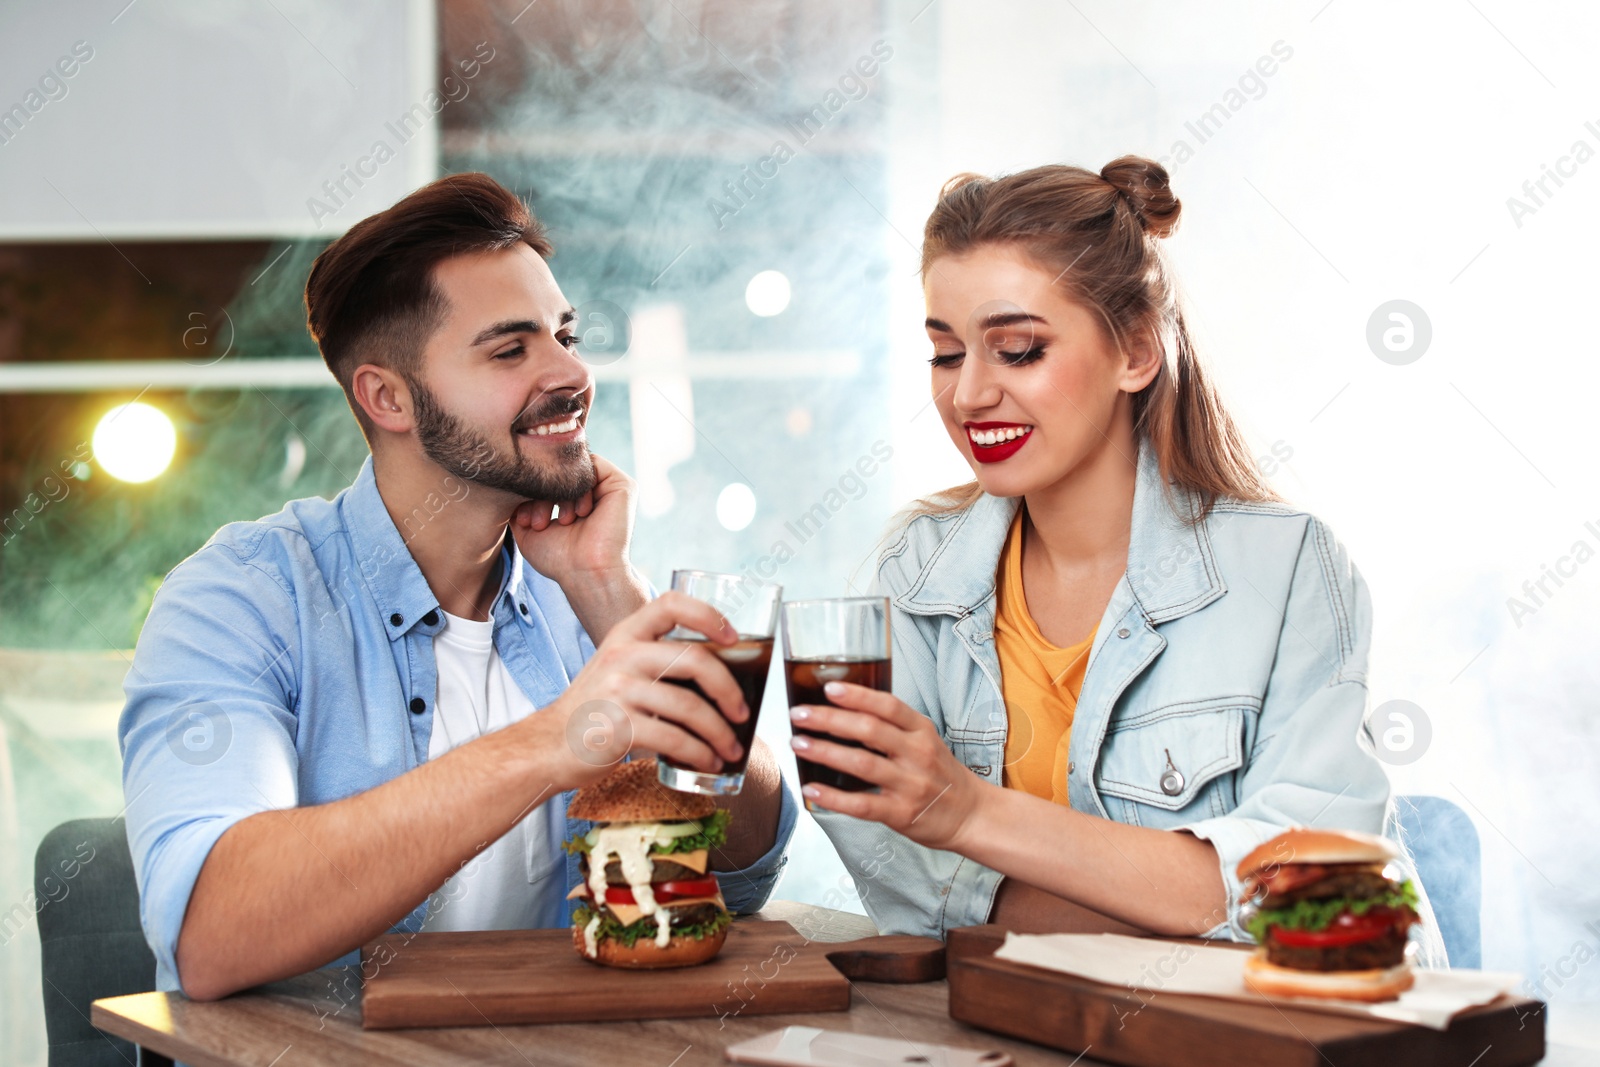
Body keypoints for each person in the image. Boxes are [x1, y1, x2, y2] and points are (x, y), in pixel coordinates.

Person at [118, 173, 796, 1000]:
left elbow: (744, 865)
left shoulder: (575, 587)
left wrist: (606, 587)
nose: (571, 373)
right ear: (389, 397)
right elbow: (213, 936)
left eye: (564, 334)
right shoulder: (241, 600)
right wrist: (556, 741)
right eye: (511, 350)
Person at [794, 156, 1444, 960]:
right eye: (948, 353)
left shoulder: (1287, 567)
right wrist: (1175, 904)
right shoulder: (916, 570)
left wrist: (967, 814)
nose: (968, 396)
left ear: (1136, 352)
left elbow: (1304, 894)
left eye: (1019, 349)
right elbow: (895, 872)